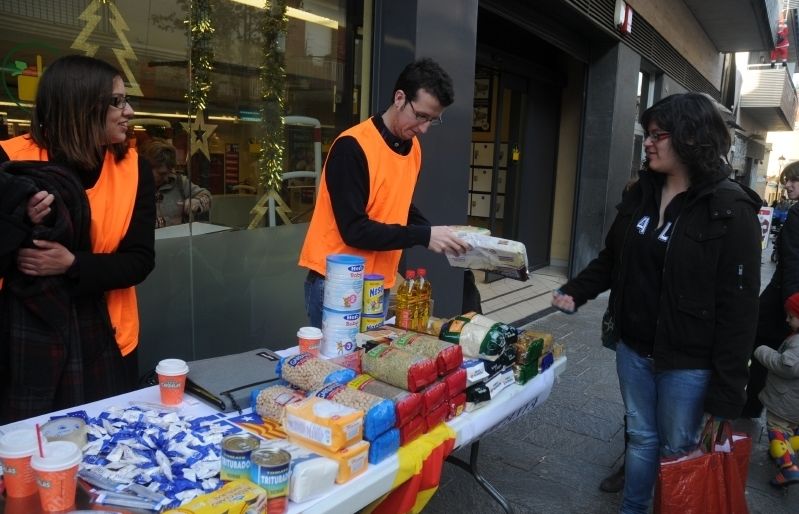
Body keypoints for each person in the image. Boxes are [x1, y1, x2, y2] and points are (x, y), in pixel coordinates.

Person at [551, 93, 762, 513]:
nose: (648, 143)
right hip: (633, 350)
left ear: (691, 137)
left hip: (688, 362)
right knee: (641, 437)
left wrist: (726, 395)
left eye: (657, 135)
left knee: (678, 447)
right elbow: (613, 257)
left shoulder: (730, 209)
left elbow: (740, 311)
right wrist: (576, 290)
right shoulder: (641, 192)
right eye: (647, 134)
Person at [0, 55, 155, 423]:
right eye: (117, 101)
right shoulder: (9, 160)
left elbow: (139, 259)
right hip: (23, 342)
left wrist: (71, 264)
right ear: (82, 105)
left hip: (106, 341)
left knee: (104, 443)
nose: (129, 111)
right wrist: (19, 221)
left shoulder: (133, 169)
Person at [298, 58, 470, 327]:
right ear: (399, 98)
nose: (424, 128)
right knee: (336, 367)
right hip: (337, 283)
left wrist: (440, 235)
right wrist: (424, 236)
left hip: (378, 285)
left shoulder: (413, 149)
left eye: (433, 120)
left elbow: (400, 206)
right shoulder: (351, 147)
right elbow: (354, 230)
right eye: (421, 116)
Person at [742, 161, 799, 418]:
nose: (787, 184)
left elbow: (792, 263)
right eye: (786, 179)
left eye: (793, 180)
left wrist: (792, 310)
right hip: (787, 302)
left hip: (783, 303)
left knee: (758, 345)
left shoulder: (797, 214)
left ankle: (753, 406)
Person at [754, 291, 799, 486]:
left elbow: (786, 366)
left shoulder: (797, 343)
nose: (788, 320)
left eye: (792, 316)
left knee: (777, 430)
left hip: (785, 400)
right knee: (790, 429)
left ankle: (788, 468)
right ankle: (785, 450)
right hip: (794, 402)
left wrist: (762, 351)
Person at [143, 139, 211, 228]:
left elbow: (207, 195)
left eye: (169, 172)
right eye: (161, 173)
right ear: (146, 168)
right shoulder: (133, 188)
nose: (167, 178)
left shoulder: (180, 183)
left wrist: (196, 202)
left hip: (179, 239)